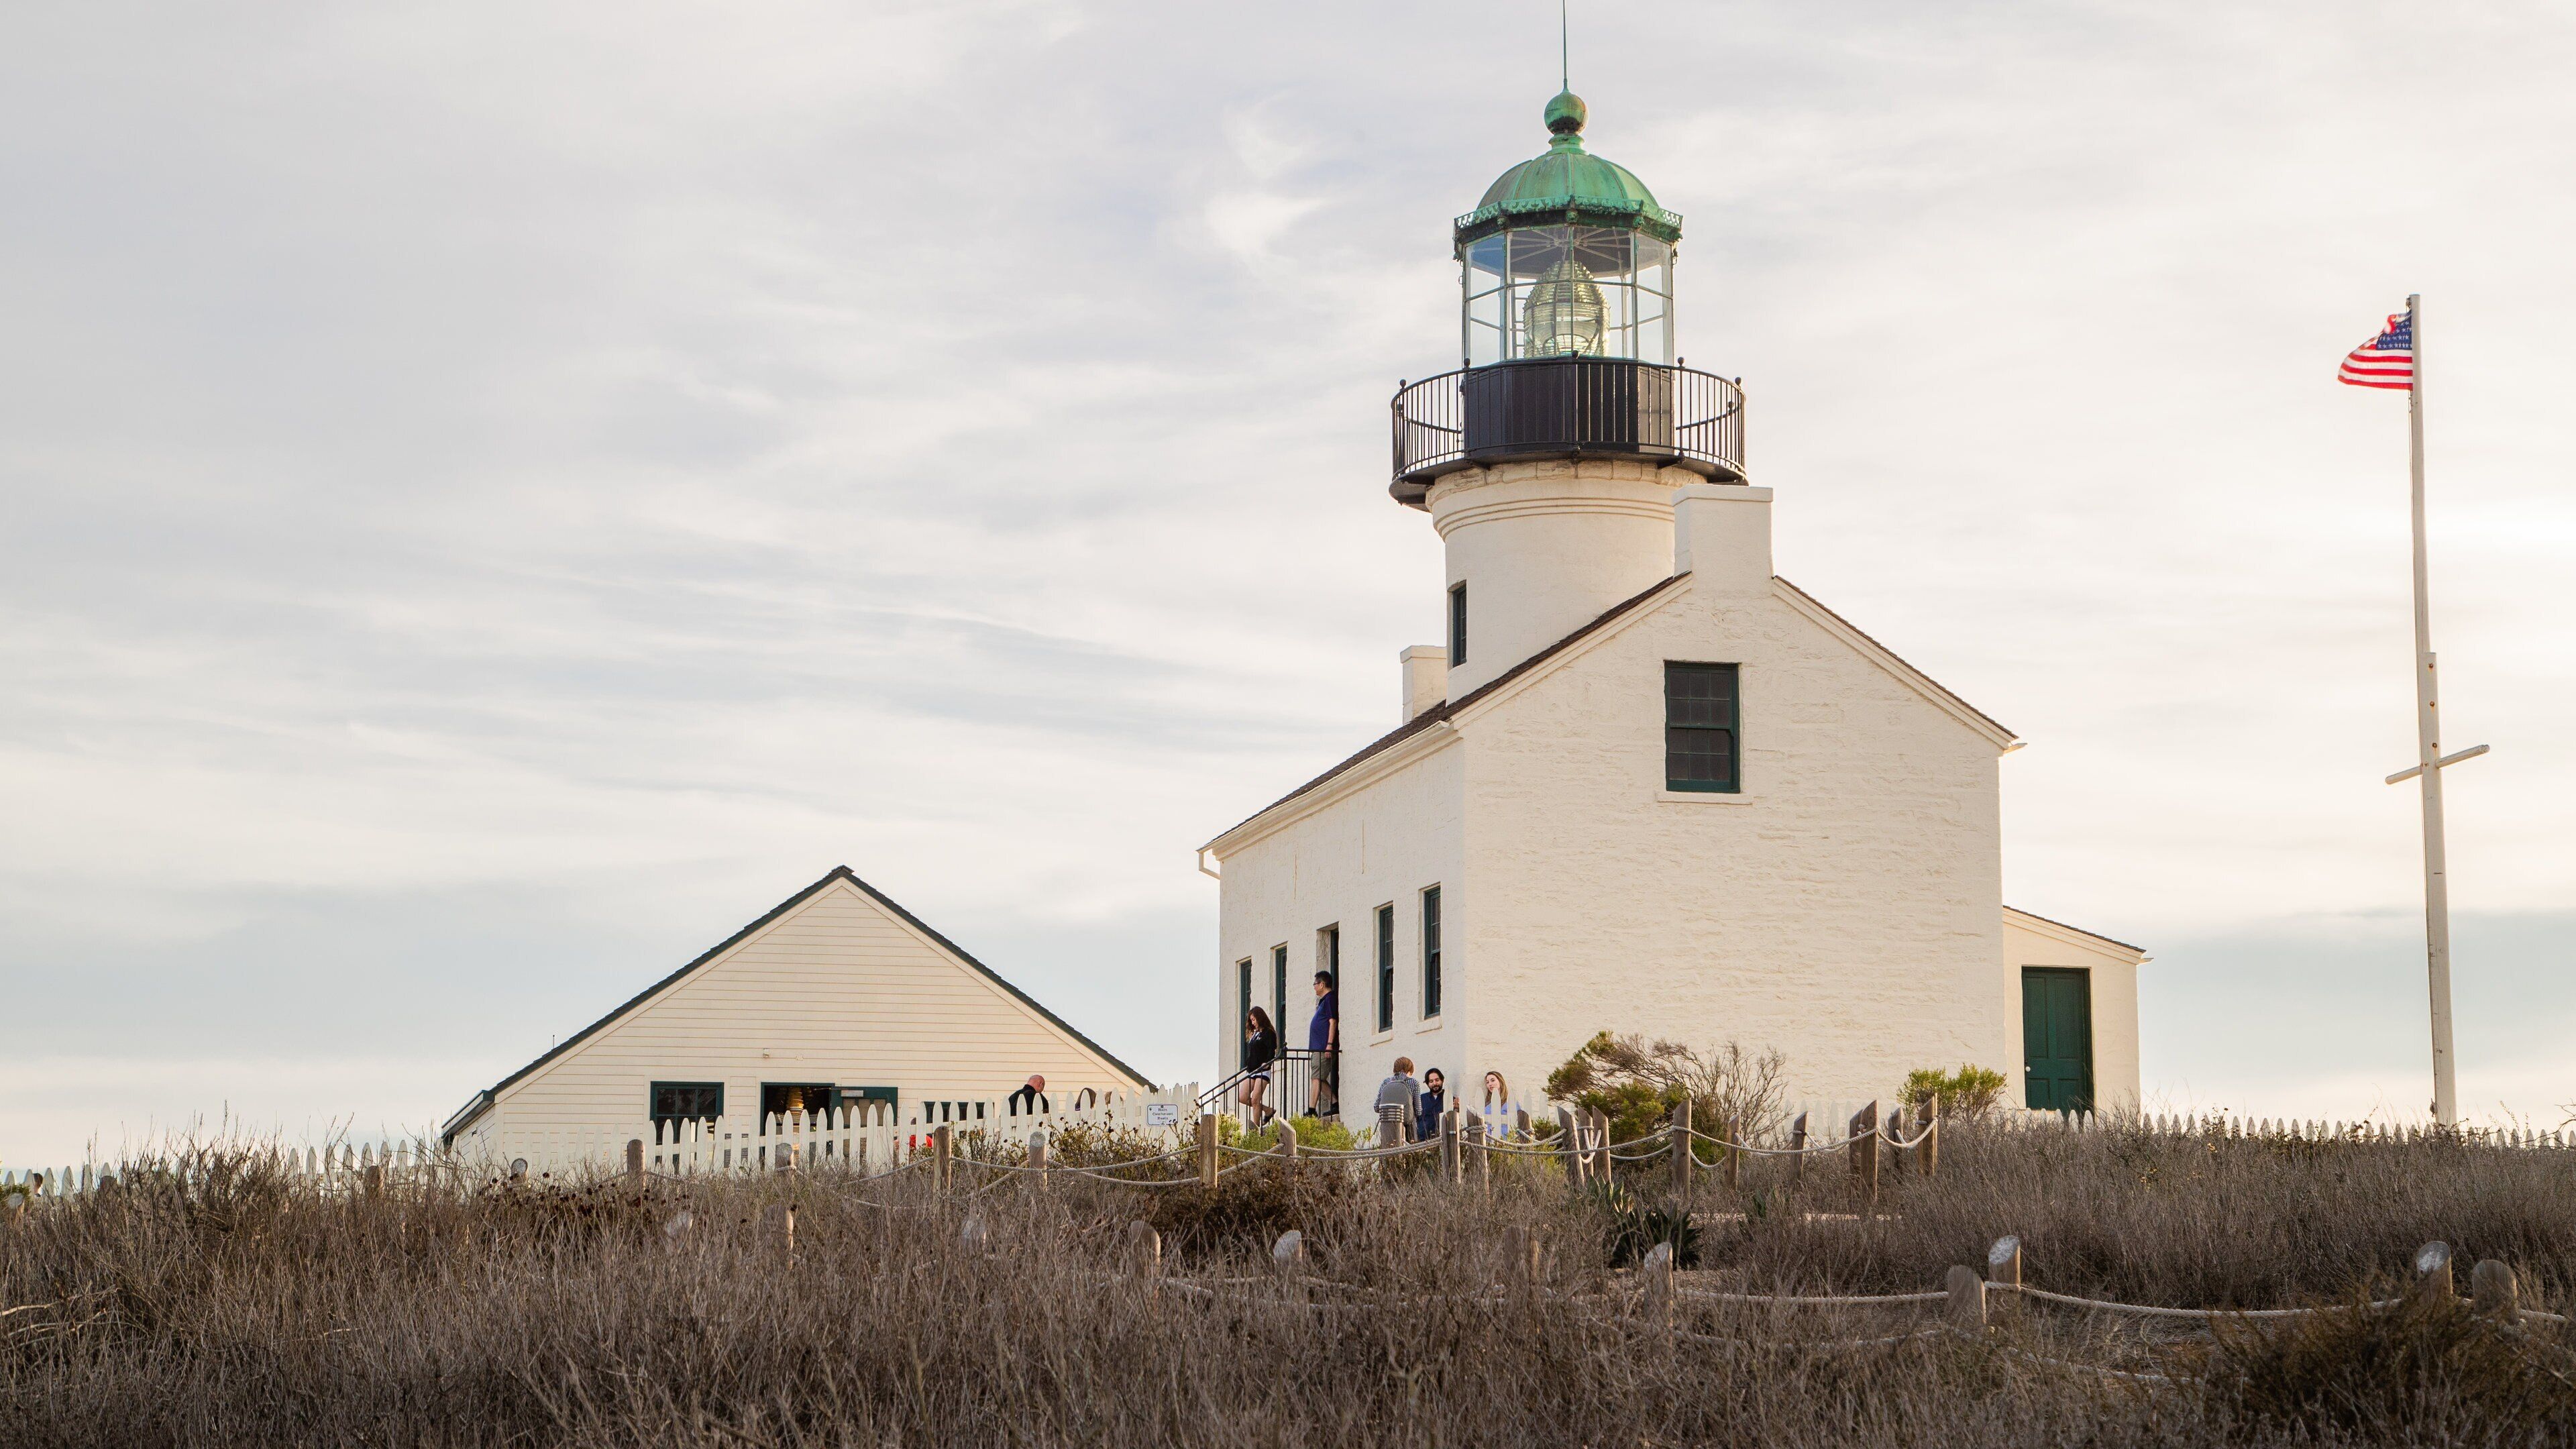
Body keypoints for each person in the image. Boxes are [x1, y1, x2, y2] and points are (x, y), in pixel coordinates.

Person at [1237, 1006, 1279, 1126]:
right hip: (1251, 1070)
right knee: (1242, 1097)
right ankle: (1267, 1110)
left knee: (1255, 1099)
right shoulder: (1255, 1034)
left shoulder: (1268, 1033)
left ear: (1260, 1018)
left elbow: (1272, 1050)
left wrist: (1267, 1062)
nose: (1253, 1023)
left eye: (1254, 1019)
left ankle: (1256, 1129)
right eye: (1251, 1020)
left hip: (1262, 1070)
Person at [1307, 969, 1340, 1116]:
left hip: (1323, 1047)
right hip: (1318, 1048)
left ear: (1322, 984)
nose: (1314, 987)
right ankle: (1334, 1103)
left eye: (1315, 984)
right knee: (1318, 1078)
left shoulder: (1330, 999)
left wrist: (1329, 1044)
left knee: (1316, 1077)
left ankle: (1312, 1110)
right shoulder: (1324, 1001)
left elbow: (1333, 1022)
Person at [1374, 1057, 1420, 1140]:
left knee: (1389, 1151)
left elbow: (1377, 1107)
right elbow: (1418, 1111)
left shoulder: (1386, 1082)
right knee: (1408, 1152)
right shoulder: (1414, 1083)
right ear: (1410, 1071)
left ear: (1394, 1070)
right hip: (1408, 1129)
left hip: (1387, 1129)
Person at [1479, 1070, 1522, 1141]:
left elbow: (1520, 1123)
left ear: (1500, 1081)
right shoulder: (1487, 1106)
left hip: (1508, 1140)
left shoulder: (1511, 1103)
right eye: (1487, 1082)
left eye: (1493, 1080)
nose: (1490, 1084)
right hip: (1490, 1141)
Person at [1415, 1067, 1448, 1144]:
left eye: (1437, 1080)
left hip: (1442, 1141)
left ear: (1442, 1080)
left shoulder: (1449, 1099)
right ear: (1427, 1083)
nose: (1435, 1083)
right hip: (1423, 1141)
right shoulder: (1421, 1099)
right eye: (1431, 1081)